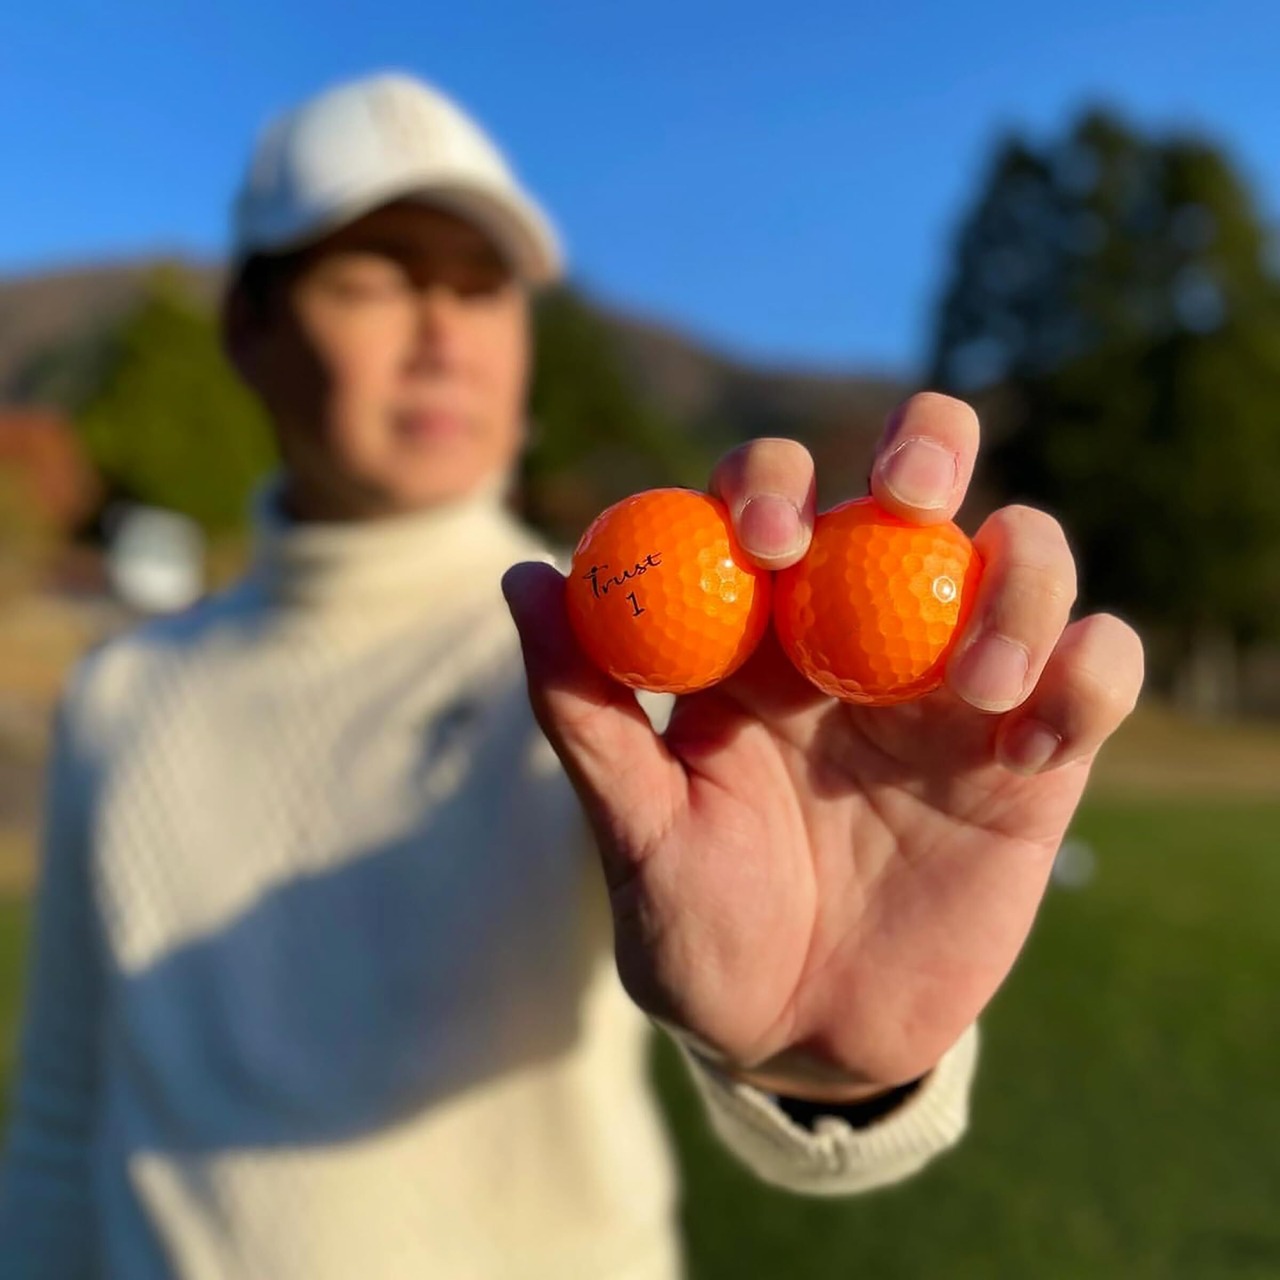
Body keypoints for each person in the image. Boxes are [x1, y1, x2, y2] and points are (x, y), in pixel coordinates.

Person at [0, 71, 1144, 1279]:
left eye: (480, 285)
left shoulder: (639, 663)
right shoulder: (120, 694)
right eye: (372, 278)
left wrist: (823, 1062)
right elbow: (65, 1112)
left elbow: (800, 1048)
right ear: (249, 327)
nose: (442, 333)